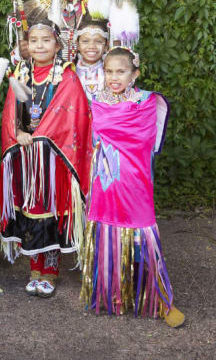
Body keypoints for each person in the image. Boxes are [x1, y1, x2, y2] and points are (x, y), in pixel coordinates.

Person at [80, 47, 185, 328]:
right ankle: (116, 295)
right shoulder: (96, 101)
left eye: (121, 71)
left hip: (135, 181)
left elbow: (143, 140)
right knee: (108, 234)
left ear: (134, 73)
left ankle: (162, 300)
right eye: (109, 71)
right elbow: (91, 140)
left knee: (143, 237)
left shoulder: (147, 102)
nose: (114, 77)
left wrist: (116, 135)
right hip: (106, 182)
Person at [0, 19, 92, 297]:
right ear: (26, 45)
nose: (39, 45)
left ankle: (50, 270)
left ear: (58, 45)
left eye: (46, 40)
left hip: (53, 158)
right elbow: (13, 110)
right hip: (27, 155)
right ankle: (34, 269)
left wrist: (40, 136)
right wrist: (17, 132)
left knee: (50, 212)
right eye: (34, 41)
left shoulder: (66, 76)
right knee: (31, 209)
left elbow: (70, 115)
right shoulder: (22, 73)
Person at [75, 16, 110, 102]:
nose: (91, 46)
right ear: (77, 45)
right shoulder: (70, 71)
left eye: (98, 41)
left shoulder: (111, 73)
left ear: (106, 46)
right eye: (85, 41)